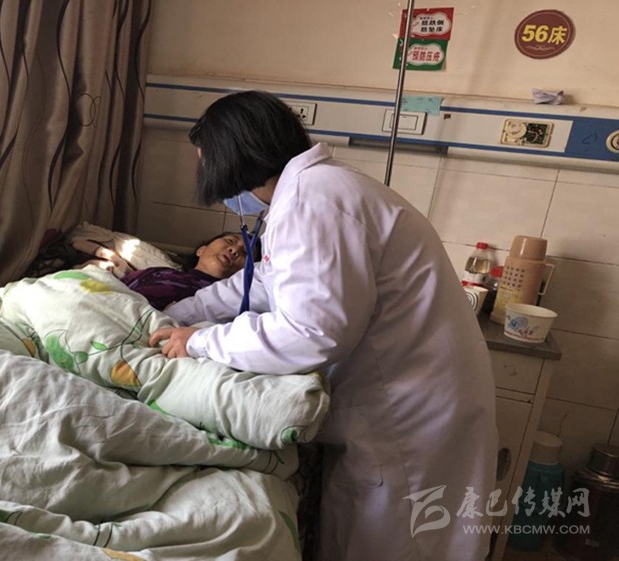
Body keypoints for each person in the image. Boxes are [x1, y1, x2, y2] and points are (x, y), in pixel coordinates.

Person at [148, 91, 498, 561]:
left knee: (399, 544)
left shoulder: (315, 201)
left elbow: (312, 332)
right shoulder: (316, 191)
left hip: (410, 410)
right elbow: (266, 282)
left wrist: (202, 343)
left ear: (233, 157)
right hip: (412, 394)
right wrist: (181, 312)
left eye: (205, 162)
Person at [120, 232, 246, 310]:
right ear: (201, 250)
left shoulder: (227, 303)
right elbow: (116, 288)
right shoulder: (156, 272)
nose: (234, 250)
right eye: (230, 240)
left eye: (246, 253)